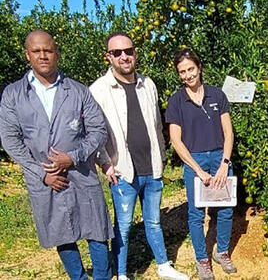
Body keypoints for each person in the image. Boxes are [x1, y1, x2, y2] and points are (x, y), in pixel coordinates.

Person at [0, 30, 113, 280]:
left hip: (81, 172)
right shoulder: (13, 95)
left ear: (56, 53)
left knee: (96, 229)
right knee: (61, 231)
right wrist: (42, 173)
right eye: (37, 51)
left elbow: (97, 130)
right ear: (27, 54)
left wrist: (73, 156)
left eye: (48, 50)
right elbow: (10, 140)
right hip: (45, 177)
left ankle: (103, 277)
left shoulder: (78, 91)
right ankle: (78, 277)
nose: (43, 56)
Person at [90, 32, 188, 280]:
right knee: (123, 226)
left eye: (129, 51)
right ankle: (121, 274)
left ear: (135, 53)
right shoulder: (98, 90)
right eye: (117, 53)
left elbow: (156, 125)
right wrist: (105, 163)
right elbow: (92, 131)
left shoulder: (148, 84)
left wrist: (162, 157)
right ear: (108, 57)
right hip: (122, 170)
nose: (124, 56)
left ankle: (163, 265)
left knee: (153, 221)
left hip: (152, 167)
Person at [165, 49, 236, 280]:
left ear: (199, 68)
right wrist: (197, 169)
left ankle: (222, 252)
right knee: (196, 214)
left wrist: (225, 163)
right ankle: (202, 260)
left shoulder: (217, 95)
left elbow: (228, 132)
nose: (187, 75)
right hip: (194, 159)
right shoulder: (176, 101)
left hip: (219, 156)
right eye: (182, 72)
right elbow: (175, 140)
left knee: (225, 209)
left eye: (190, 69)